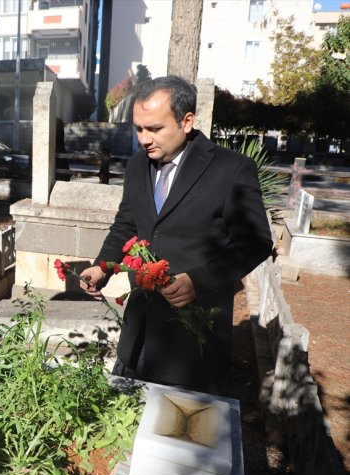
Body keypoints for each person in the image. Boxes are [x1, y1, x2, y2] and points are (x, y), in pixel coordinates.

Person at [79, 76, 272, 392]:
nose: (144, 139)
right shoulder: (137, 166)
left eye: (154, 129)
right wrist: (103, 265)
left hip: (193, 346)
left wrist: (199, 280)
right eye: (139, 128)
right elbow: (128, 224)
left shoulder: (231, 169)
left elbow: (255, 242)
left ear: (187, 121)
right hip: (138, 336)